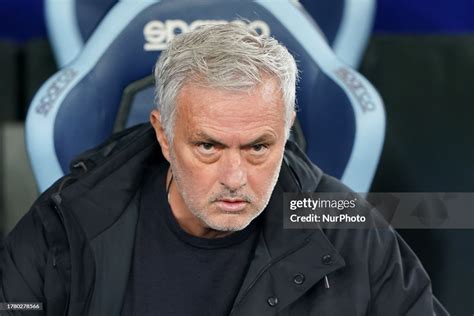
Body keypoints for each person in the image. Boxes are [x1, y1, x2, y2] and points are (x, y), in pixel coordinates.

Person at [0, 23, 448, 316]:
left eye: (258, 147)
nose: (235, 177)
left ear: (287, 131)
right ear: (163, 134)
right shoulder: (67, 221)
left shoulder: (345, 224)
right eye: (208, 146)